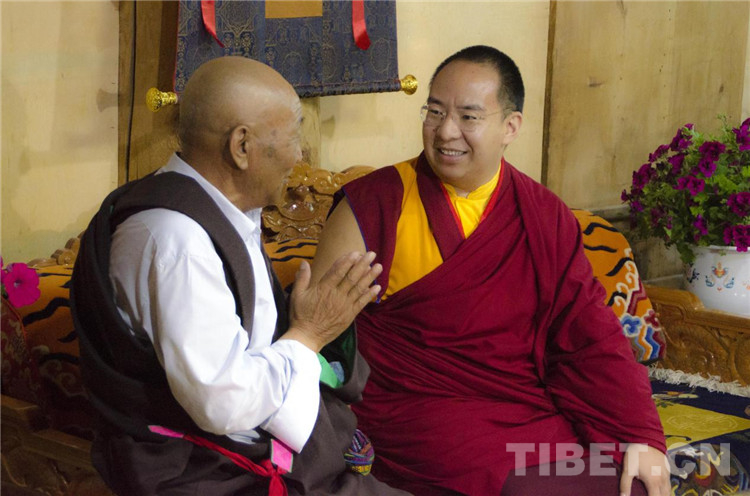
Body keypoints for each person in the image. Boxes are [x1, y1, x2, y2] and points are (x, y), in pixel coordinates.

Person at [311, 45, 670, 496]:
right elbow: (318, 333)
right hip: (421, 415)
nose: (446, 131)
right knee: (538, 488)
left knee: (630, 480)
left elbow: (589, 333)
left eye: (469, 116)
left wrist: (639, 432)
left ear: (510, 127)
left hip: (525, 409)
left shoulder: (543, 215)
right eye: (435, 112)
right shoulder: (375, 204)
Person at [71, 56, 409, 496]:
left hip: (249, 453)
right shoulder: (178, 241)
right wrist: (307, 334)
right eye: (293, 137)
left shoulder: (217, 211)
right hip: (208, 470)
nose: (300, 155)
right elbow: (222, 403)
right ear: (241, 146)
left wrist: (305, 325)